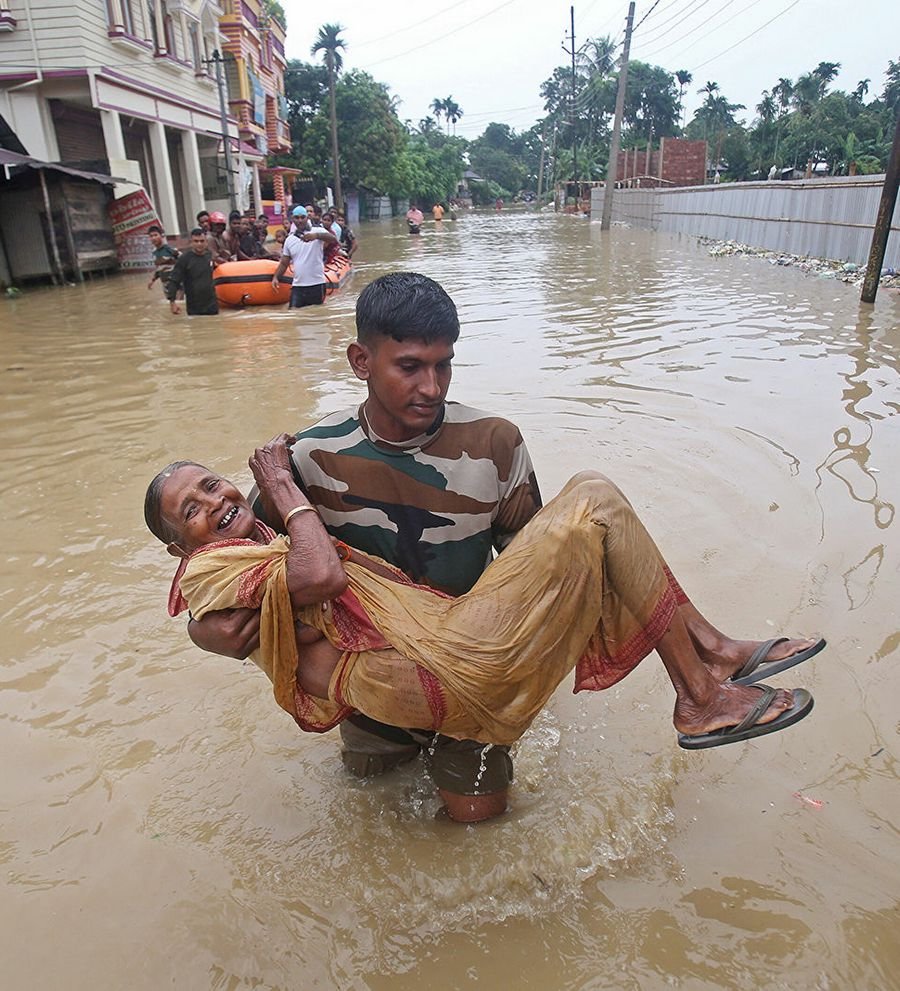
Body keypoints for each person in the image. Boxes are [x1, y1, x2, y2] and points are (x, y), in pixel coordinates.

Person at [186, 272, 825, 821]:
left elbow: (543, 564)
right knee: (370, 810)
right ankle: (707, 665)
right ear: (361, 362)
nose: (431, 387)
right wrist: (205, 635)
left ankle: (703, 672)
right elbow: (239, 565)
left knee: (480, 829)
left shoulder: (494, 443)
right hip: (371, 689)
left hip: (475, 667)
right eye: (409, 367)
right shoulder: (305, 458)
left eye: (444, 364)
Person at [146, 442, 819, 760]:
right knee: (595, 497)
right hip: (441, 667)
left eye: (212, 485)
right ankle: (702, 683)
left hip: (441, 649)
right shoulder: (222, 563)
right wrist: (286, 488)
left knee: (591, 519)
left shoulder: (258, 532)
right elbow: (316, 578)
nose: (216, 502)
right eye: (193, 509)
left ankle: (709, 659)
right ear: (181, 546)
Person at [271, 207, 337, 308]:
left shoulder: (317, 230)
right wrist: (276, 277)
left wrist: (316, 236)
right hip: (298, 286)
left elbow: (333, 239)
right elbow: (284, 263)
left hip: (317, 284)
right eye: (297, 218)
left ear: (307, 218)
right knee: (294, 313)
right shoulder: (289, 239)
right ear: (292, 219)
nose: (300, 220)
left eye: (302, 217)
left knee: (317, 315)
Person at [166, 228, 218, 316]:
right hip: (194, 307)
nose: (199, 244)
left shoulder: (210, 256)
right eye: (196, 241)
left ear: (206, 242)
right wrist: (172, 302)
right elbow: (174, 280)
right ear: (191, 242)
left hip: (212, 305)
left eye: (202, 241)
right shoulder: (184, 259)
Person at [146, 225, 180, 294]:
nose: (153, 238)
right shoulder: (155, 253)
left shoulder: (170, 249)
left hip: (176, 283)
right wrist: (152, 280)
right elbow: (159, 268)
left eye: (155, 235)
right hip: (165, 285)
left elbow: (184, 261)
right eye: (151, 236)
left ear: (161, 236)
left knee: (178, 303)